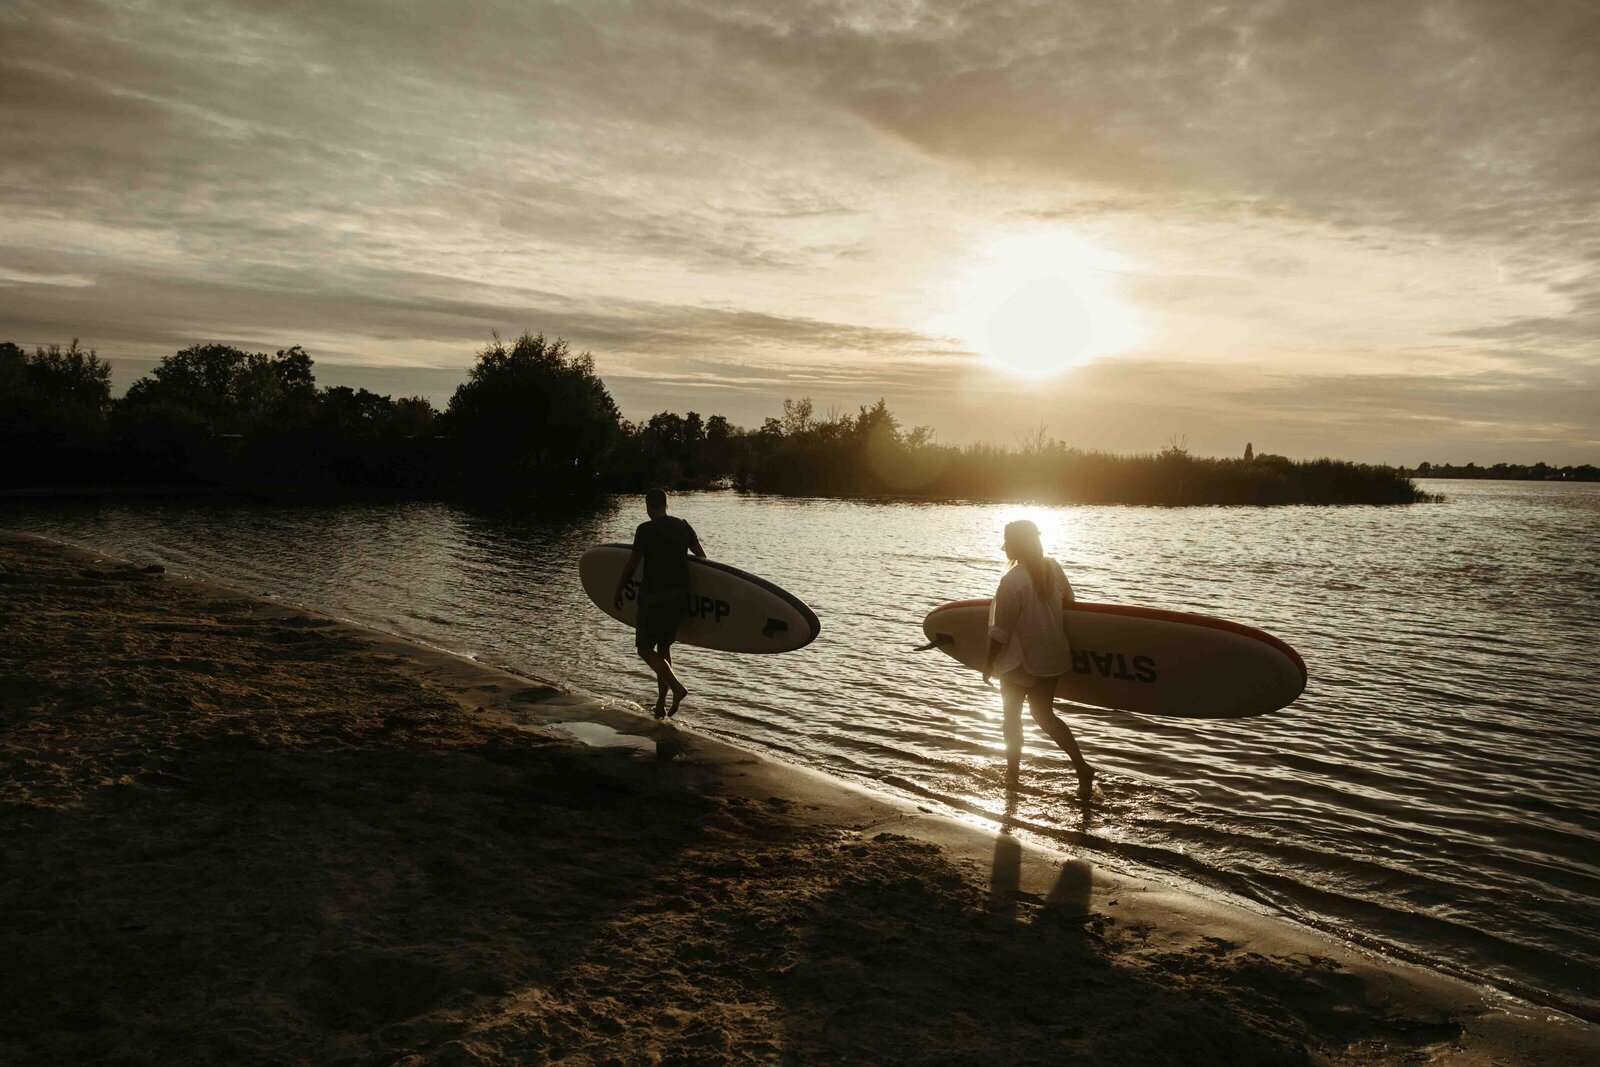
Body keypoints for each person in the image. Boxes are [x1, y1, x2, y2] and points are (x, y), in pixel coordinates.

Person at [981, 519, 1096, 800]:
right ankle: (1082, 768)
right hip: (1051, 658)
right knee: (1044, 716)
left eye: (1008, 540)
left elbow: (1000, 631)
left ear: (1016, 544)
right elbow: (1070, 604)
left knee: (1011, 721)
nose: (1004, 546)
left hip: (1018, 663)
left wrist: (987, 664)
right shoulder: (1052, 567)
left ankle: (1012, 779)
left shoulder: (1011, 581)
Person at [613, 488, 705, 718]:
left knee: (644, 649)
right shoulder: (683, 525)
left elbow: (632, 565)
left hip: (654, 596)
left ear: (648, 506)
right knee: (664, 649)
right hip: (678, 598)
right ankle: (661, 704)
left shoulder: (645, 530)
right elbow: (702, 559)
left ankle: (677, 687)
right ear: (667, 504)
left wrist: (619, 589)